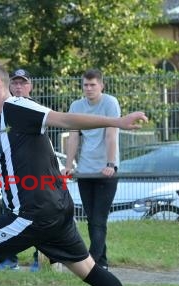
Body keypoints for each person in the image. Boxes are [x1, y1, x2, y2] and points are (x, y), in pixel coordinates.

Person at [0, 61, 157, 286]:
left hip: (31, 215)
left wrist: (118, 122)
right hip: (53, 212)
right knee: (88, 270)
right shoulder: (2, 126)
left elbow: (65, 120)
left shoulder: (18, 107)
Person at [63, 68, 120, 270]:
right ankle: (101, 261)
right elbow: (73, 136)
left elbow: (111, 134)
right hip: (85, 170)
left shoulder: (110, 103)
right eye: (85, 85)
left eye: (93, 85)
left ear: (101, 85)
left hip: (106, 170)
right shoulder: (77, 105)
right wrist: (69, 166)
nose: (89, 88)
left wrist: (110, 164)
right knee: (91, 218)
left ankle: (93, 264)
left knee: (99, 218)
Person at [0, 68, 39, 271]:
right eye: (15, 83)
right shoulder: (4, 111)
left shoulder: (36, 109)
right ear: (9, 86)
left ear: (31, 86)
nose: (19, 86)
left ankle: (41, 259)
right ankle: (9, 259)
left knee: (37, 218)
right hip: (10, 176)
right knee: (8, 216)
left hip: (34, 175)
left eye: (23, 83)